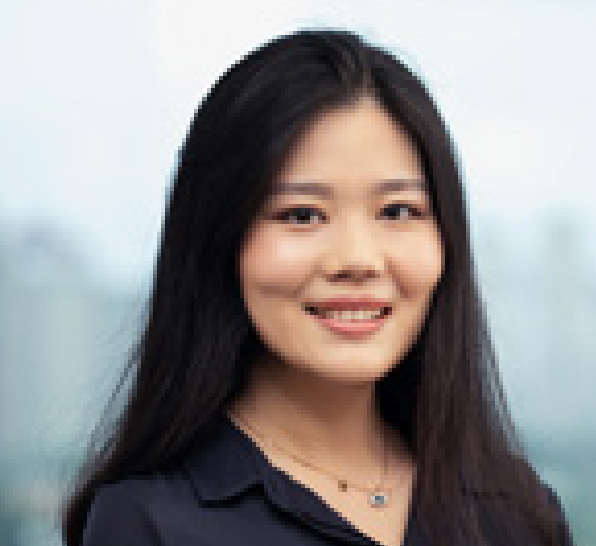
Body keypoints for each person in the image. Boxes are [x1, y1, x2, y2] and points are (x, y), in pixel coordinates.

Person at [60, 28, 575, 546]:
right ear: (221, 240)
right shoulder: (150, 522)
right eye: (302, 215)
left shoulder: (517, 513)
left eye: (398, 211)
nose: (357, 260)